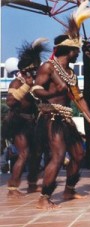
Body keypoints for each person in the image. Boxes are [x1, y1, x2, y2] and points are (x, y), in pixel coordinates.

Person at [30, 1, 90, 209]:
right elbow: (35, 90)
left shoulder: (70, 74)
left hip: (66, 118)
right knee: (58, 156)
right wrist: (52, 92)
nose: (78, 54)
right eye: (76, 51)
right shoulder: (48, 67)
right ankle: (44, 198)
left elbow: (79, 98)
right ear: (69, 50)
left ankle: (69, 190)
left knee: (78, 154)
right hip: (50, 117)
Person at [2, 38, 49, 198]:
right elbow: (10, 102)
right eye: (34, 70)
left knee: (36, 153)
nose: (36, 72)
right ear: (26, 70)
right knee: (24, 154)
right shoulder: (16, 83)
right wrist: (26, 86)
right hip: (18, 123)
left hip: (31, 122)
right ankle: (12, 189)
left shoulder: (33, 82)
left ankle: (32, 183)